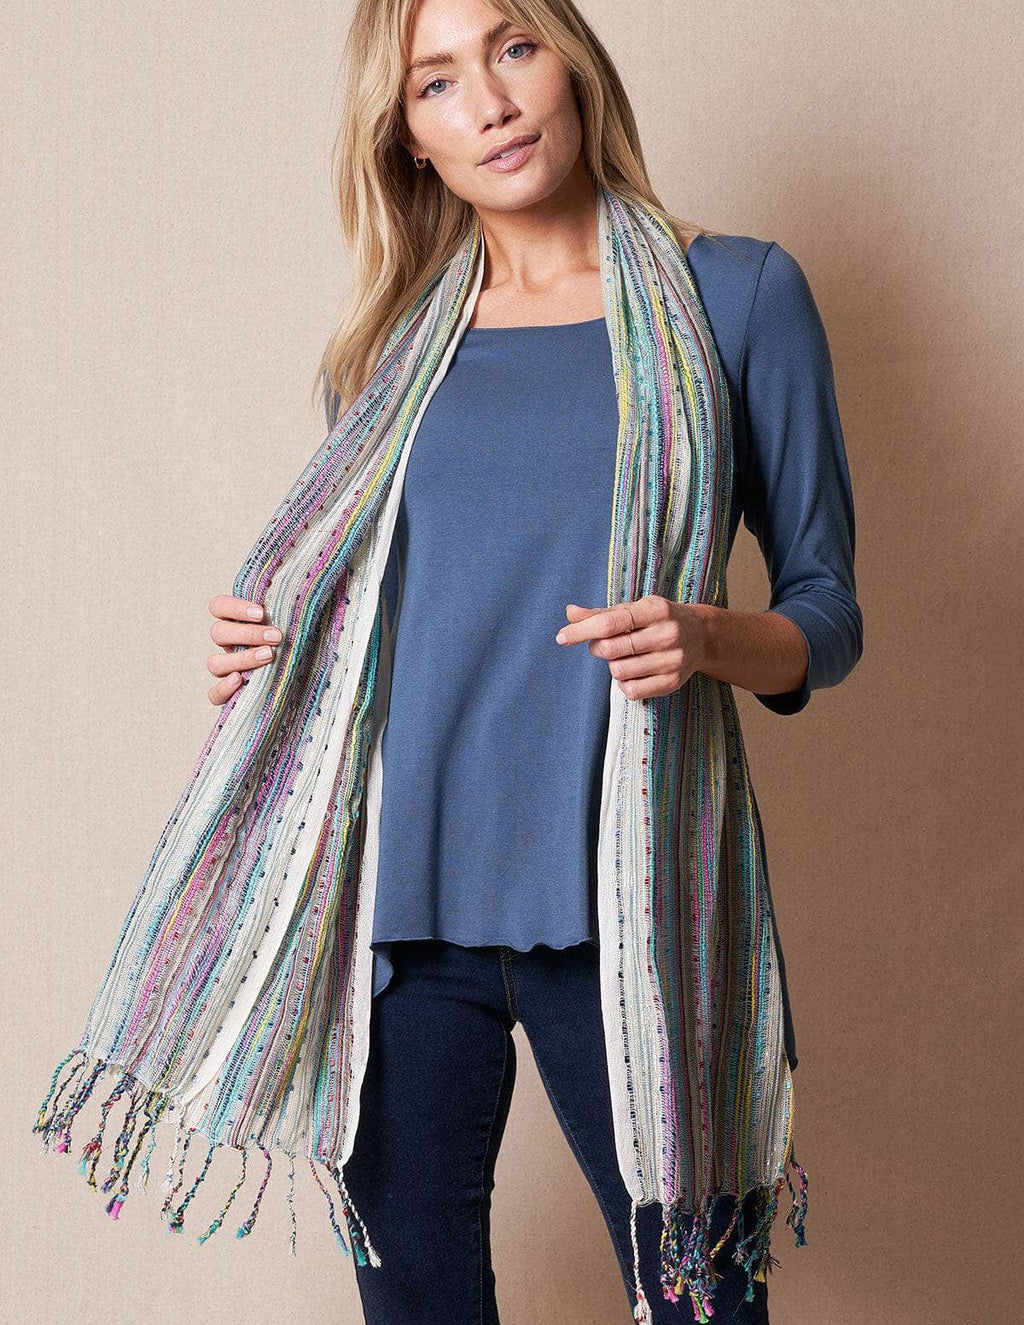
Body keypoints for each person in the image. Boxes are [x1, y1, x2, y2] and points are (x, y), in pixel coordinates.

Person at [203, 0, 862, 1320]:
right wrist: (270, 643)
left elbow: (827, 613)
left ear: (572, 61)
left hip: (631, 903)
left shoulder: (738, 296)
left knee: (705, 1305)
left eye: (512, 48)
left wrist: (705, 633)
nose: (491, 104)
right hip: (402, 915)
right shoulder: (387, 353)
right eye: (437, 84)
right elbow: (392, 620)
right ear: (410, 139)